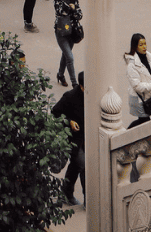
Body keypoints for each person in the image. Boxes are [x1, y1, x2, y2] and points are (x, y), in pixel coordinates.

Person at [51, 73, 85, 206]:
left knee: (76, 167)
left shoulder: (92, 95)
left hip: (88, 138)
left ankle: (66, 192)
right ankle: (88, 199)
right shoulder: (70, 97)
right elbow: (55, 113)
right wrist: (69, 122)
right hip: (73, 140)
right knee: (83, 166)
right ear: (82, 86)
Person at [124, 33, 151, 120]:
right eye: (141, 45)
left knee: (143, 122)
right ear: (135, 46)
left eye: (145, 44)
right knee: (144, 121)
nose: (144, 47)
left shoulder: (149, 58)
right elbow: (137, 86)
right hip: (139, 99)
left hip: (148, 96)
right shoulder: (132, 65)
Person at [53, 0, 82, 88]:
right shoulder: (58, 0)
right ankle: (74, 83)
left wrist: (74, 10)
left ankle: (60, 75)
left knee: (66, 55)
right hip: (61, 32)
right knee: (70, 57)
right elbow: (61, 12)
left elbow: (79, 15)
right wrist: (66, 1)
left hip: (72, 32)